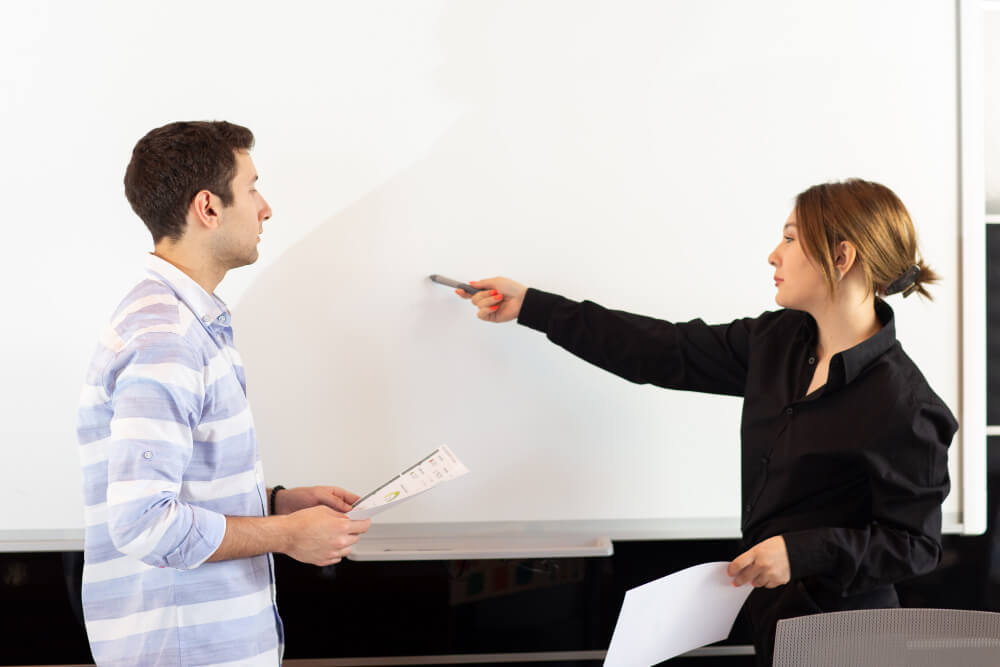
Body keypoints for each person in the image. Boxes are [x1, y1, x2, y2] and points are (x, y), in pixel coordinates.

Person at [456, 178, 957, 665]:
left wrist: (801, 553)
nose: (773, 255)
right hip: (775, 620)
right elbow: (660, 350)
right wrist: (533, 306)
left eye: (788, 238)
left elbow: (915, 546)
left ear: (841, 257)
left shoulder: (905, 405)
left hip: (849, 639)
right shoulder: (778, 342)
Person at [76, 121, 371, 666]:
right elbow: (144, 523)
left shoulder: (189, 323)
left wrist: (274, 503)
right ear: (208, 208)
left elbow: (179, 493)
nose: (266, 207)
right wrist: (286, 533)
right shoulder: (165, 337)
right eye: (253, 187)